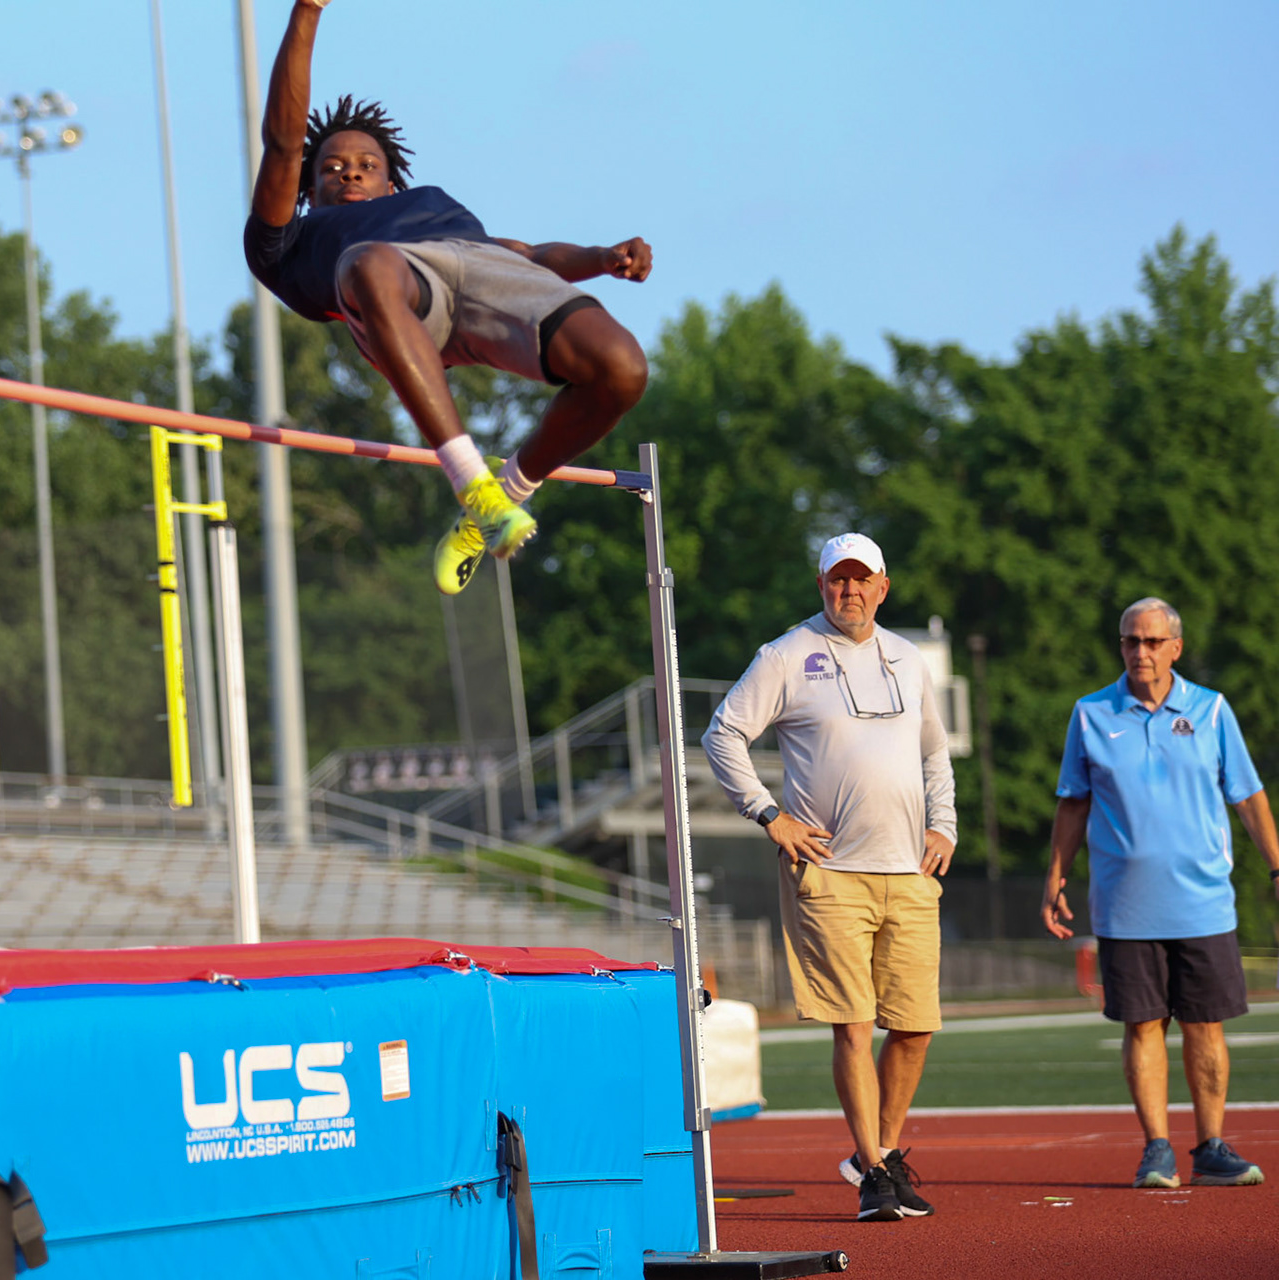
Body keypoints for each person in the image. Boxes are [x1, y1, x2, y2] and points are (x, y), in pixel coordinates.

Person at [244, 0, 654, 596]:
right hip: (400, 290)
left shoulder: (434, 205)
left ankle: (502, 496)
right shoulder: (287, 240)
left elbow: (531, 256)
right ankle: (471, 481)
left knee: (622, 370)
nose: (349, 174)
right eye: (331, 168)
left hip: (479, 266)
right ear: (307, 189)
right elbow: (282, 143)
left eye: (366, 165)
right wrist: (307, 11)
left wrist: (603, 258)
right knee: (368, 262)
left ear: (392, 183)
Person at [701, 533, 956, 1223]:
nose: (848, 591)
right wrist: (768, 814)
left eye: (860, 580)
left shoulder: (906, 657)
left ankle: (882, 1150)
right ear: (821, 587)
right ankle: (873, 1169)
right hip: (830, 871)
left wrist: (946, 825)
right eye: (836, 581)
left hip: (908, 868)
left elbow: (935, 753)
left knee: (915, 1027)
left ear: (883, 586)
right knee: (855, 1023)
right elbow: (722, 733)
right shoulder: (786, 656)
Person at [1043, 596, 1278, 1190]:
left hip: (1202, 901)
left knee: (1206, 1025)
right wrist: (1055, 876)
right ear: (1120, 646)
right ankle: (1156, 1150)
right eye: (1130, 641)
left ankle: (1213, 1146)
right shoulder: (1092, 713)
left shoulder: (1212, 709)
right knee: (1143, 1025)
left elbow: (1248, 797)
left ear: (1176, 646)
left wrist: (1278, 867)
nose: (1140, 652)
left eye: (1151, 642)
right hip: (1125, 905)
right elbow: (1073, 802)